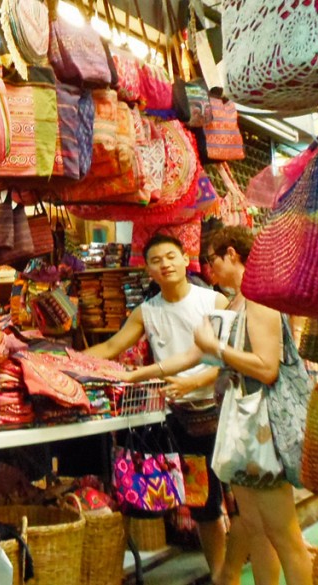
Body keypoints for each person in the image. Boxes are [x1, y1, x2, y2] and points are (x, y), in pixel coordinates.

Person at [85, 234, 248, 584]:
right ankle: (220, 574)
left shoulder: (213, 299)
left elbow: (234, 358)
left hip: (219, 411)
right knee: (203, 504)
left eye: (171, 256)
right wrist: (70, 361)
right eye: (157, 260)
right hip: (178, 416)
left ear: (184, 258)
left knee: (243, 501)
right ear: (149, 269)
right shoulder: (148, 310)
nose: (166, 264)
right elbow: (113, 345)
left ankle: (232, 571)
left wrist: (196, 382)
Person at [193, 226, 313, 585]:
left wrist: (216, 349)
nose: (208, 268)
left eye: (210, 259)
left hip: (266, 427)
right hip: (248, 427)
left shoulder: (260, 299)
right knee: (260, 531)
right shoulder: (237, 301)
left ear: (231, 253)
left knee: (284, 535)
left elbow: (267, 367)